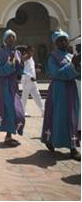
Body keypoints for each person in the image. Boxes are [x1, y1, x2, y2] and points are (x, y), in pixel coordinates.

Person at [41, 30, 80, 161]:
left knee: (72, 116)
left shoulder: (70, 56)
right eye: (60, 40)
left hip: (71, 89)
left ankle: (73, 147)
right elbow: (56, 73)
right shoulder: (52, 57)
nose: (63, 42)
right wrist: (72, 66)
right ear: (55, 43)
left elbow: (77, 73)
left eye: (65, 39)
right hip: (58, 90)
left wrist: (78, 68)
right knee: (57, 115)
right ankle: (51, 139)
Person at [0, 29, 25, 147]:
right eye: (9, 37)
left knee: (17, 110)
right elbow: (0, 70)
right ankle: (8, 135)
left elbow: (19, 71)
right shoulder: (0, 52)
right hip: (4, 85)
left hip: (13, 84)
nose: (11, 39)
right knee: (8, 108)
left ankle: (10, 133)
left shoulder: (17, 53)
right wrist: (10, 64)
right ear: (5, 40)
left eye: (13, 36)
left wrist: (22, 64)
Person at [21, 46, 45, 117]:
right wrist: (30, 76)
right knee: (24, 97)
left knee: (37, 96)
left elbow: (30, 69)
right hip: (27, 80)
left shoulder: (31, 58)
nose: (32, 52)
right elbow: (23, 69)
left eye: (33, 51)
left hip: (33, 81)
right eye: (31, 51)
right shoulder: (25, 57)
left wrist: (36, 71)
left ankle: (43, 110)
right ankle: (23, 111)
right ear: (28, 51)